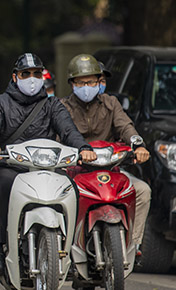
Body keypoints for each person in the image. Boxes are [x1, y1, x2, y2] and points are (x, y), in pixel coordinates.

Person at [0, 53, 96, 275]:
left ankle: (71, 249)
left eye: (36, 73)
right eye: (26, 74)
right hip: (11, 166)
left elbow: (68, 130)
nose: (31, 78)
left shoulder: (53, 105)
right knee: (0, 185)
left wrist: (84, 148)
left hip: (47, 168)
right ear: (15, 77)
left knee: (71, 188)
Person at [60, 54, 151, 252]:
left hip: (109, 170)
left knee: (142, 191)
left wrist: (138, 145)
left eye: (92, 81)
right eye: (81, 82)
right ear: (72, 83)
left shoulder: (111, 104)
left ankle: (133, 245)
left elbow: (125, 126)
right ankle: (63, 246)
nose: (87, 86)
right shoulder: (62, 107)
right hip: (74, 171)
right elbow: (58, 136)